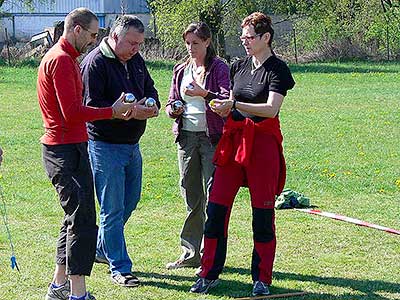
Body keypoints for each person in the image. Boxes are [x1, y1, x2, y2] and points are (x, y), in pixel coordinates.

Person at [190, 12, 295, 296]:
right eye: (242, 36)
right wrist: (220, 104)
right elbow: (230, 102)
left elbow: (272, 109)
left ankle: (261, 279)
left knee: (262, 214)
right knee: (216, 209)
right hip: (233, 141)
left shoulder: (278, 70)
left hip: (262, 144)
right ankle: (208, 272)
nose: (244, 41)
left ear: (266, 38)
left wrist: (236, 104)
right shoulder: (238, 66)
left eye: (249, 37)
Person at [37, 8, 134, 300]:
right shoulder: (63, 61)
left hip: (66, 147)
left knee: (73, 218)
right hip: (65, 150)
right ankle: (78, 294)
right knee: (82, 222)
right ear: (76, 29)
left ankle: (58, 286)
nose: (94, 41)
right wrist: (112, 112)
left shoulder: (62, 58)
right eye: (92, 35)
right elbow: (72, 113)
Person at [80, 15, 159, 287]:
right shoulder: (94, 64)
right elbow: (91, 108)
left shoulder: (136, 61)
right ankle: (120, 267)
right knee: (112, 210)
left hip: (132, 144)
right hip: (105, 146)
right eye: (132, 43)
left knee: (130, 201)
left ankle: (101, 248)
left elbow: (150, 89)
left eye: (140, 43)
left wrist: (152, 105)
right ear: (114, 37)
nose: (136, 48)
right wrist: (124, 112)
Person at [165, 22, 229, 270]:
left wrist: (204, 94)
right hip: (187, 138)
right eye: (188, 43)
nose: (191, 48)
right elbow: (171, 102)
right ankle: (191, 254)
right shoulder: (181, 69)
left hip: (212, 138)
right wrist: (175, 109)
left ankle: (212, 255)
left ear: (207, 42)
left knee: (214, 197)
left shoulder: (219, 67)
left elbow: (225, 99)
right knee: (191, 196)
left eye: (196, 43)